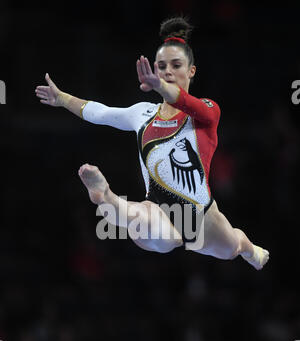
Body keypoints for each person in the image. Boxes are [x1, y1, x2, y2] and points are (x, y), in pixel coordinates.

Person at [35, 17, 269, 270]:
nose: (168, 71)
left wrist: (161, 88)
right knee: (142, 221)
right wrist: (62, 98)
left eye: (176, 65)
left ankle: (251, 252)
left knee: (233, 247)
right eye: (162, 66)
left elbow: (188, 103)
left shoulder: (207, 111)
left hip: (201, 217)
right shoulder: (142, 114)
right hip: (158, 208)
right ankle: (107, 197)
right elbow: (100, 113)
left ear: (191, 71)